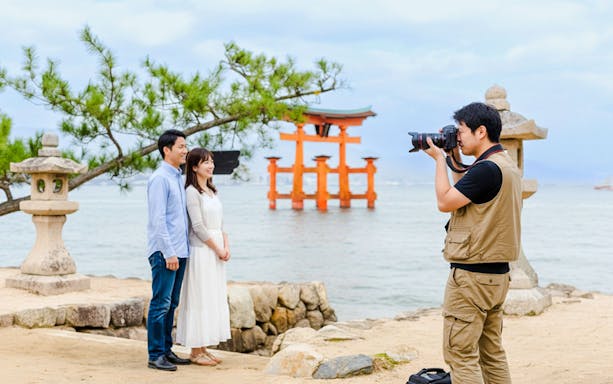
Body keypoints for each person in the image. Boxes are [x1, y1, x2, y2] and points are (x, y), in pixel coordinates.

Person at [422, 102, 522, 384]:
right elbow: (465, 191)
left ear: (481, 131)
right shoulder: (504, 166)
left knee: (460, 355)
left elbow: (445, 201)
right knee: (491, 353)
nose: (458, 137)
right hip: (496, 277)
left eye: (462, 132)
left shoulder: (486, 169)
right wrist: (453, 155)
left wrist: (439, 160)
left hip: (471, 279)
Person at [176, 147, 231, 366]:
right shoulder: (191, 191)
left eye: (212, 161)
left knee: (211, 298)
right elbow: (198, 226)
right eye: (206, 162)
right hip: (202, 251)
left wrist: (226, 246)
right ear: (195, 166)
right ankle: (195, 351)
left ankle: (204, 348)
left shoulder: (212, 190)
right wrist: (217, 248)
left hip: (216, 250)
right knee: (199, 297)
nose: (211, 165)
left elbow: (221, 223)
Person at [146, 129, 191, 371]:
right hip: (166, 252)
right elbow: (158, 220)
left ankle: (166, 349)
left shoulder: (177, 178)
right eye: (181, 146)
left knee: (171, 304)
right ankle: (155, 355)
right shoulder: (160, 179)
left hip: (180, 251)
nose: (185, 150)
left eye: (185, 146)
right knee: (160, 303)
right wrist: (169, 252)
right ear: (167, 150)